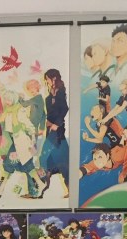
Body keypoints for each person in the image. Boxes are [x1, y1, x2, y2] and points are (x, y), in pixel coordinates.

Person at [39, 69, 69, 198]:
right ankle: (41, 187)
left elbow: (65, 108)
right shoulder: (50, 96)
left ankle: (41, 187)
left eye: (47, 78)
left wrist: (56, 124)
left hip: (57, 131)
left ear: (54, 78)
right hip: (51, 131)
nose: (46, 81)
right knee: (57, 158)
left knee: (46, 158)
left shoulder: (60, 93)